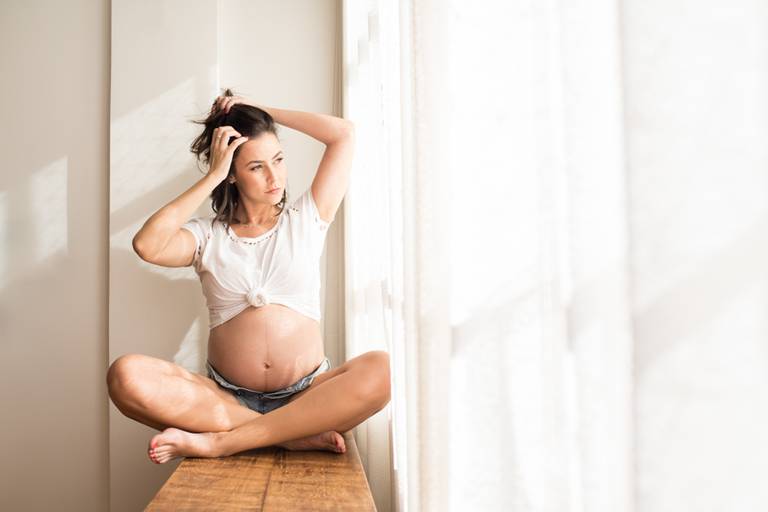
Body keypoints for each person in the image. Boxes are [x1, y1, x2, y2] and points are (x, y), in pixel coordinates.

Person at [106, 89, 391, 464]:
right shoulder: (207, 236)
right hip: (225, 401)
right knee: (124, 376)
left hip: (309, 394)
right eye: (257, 167)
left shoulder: (306, 219)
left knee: (383, 370)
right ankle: (287, 435)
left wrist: (257, 108)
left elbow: (343, 134)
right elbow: (147, 245)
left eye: (278, 160)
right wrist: (212, 176)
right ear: (232, 175)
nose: (275, 177)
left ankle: (223, 442)